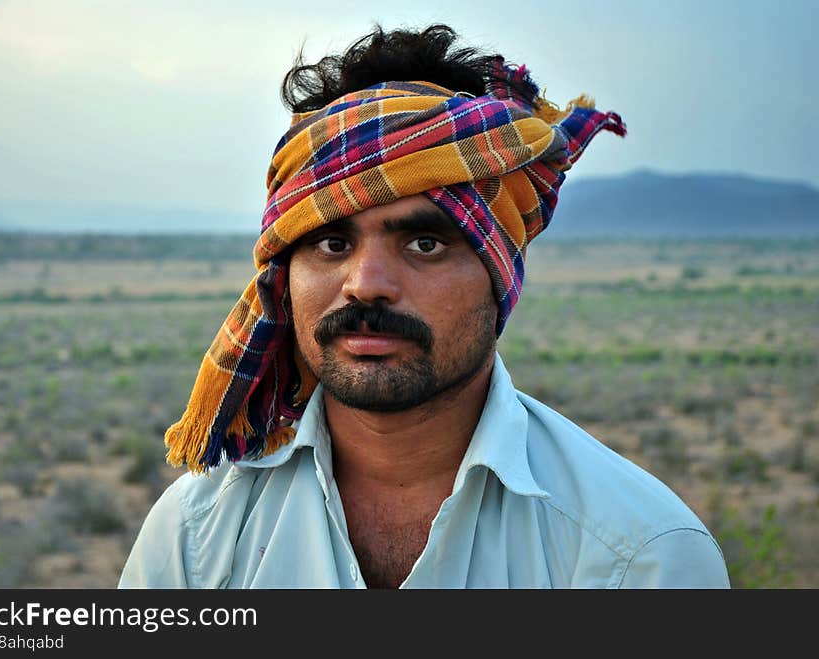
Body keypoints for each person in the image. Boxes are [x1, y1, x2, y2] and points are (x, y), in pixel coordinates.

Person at [118, 24, 730, 589]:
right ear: (284, 274)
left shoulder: (635, 557)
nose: (367, 284)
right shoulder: (197, 538)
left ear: (501, 274)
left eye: (425, 243)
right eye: (332, 242)